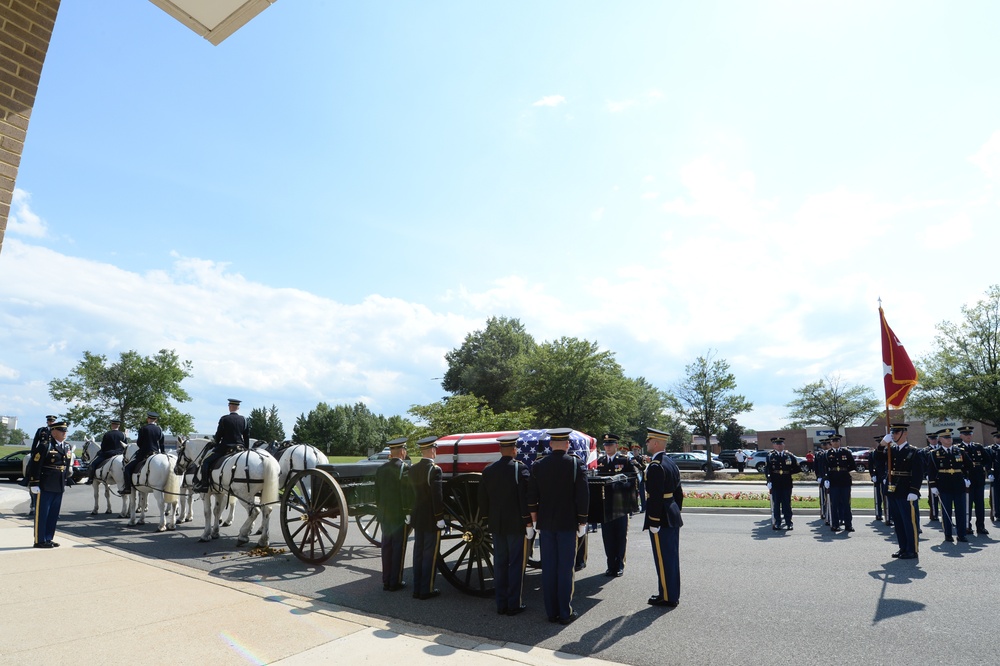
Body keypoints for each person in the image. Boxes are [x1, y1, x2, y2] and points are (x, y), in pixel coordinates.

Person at [527, 427, 589, 625]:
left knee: (549, 568)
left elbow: (532, 496)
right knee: (565, 569)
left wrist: (535, 521)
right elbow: (583, 495)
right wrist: (583, 521)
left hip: (545, 523)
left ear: (551, 444)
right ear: (568, 444)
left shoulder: (538, 465)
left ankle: (551, 612)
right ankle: (564, 612)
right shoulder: (574, 464)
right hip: (567, 523)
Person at [478, 433, 532, 615]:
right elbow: (524, 500)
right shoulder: (520, 469)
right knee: (516, 564)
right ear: (514, 450)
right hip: (516, 525)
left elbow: (483, 500)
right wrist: (528, 522)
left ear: (501, 450)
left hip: (496, 524)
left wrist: (487, 520)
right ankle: (514, 604)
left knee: (500, 563)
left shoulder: (489, 470)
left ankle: (501, 604)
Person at [643, 427, 683, 608]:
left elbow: (656, 496)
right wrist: (675, 511)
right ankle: (670, 592)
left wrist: (654, 520)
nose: (647, 443)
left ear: (656, 443)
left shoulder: (656, 465)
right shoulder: (670, 462)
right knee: (671, 557)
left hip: (661, 518)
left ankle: (667, 597)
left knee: (663, 558)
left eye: (649, 441)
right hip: (671, 514)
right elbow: (679, 493)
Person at [874, 422, 923, 560]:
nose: (893, 435)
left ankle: (912, 550)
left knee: (909, 522)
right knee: (898, 522)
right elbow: (876, 459)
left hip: (907, 491)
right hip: (893, 490)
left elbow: (918, 473)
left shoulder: (914, 451)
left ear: (905, 433)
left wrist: (914, 490)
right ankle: (903, 548)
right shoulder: (891, 450)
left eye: (896, 432)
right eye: (892, 433)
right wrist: (882, 444)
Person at [596, 433, 640, 578]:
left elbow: (634, 480)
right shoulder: (600, 461)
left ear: (616, 446)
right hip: (605, 505)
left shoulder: (624, 460)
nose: (607, 447)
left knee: (620, 536)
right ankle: (610, 565)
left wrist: (620, 482)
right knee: (607, 536)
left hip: (620, 505)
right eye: (605, 445)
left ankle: (619, 565)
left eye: (610, 444)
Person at [26, 419, 74, 548]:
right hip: (45, 484)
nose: (64, 433)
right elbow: (35, 465)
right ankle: (39, 540)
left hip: (58, 484)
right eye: (61, 430)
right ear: (53, 432)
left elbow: (66, 464)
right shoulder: (45, 446)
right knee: (42, 513)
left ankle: (48, 538)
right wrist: (34, 482)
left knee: (53, 514)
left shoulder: (67, 446)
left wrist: (65, 480)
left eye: (65, 431)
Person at [409, 435, 445, 600]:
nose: (435, 452)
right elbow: (436, 496)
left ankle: (417, 588)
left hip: (417, 517)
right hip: (431, 518)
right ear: (431, 450)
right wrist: (440, 517)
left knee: (418, 553)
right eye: (435, 449)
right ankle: (426, 589)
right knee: (429, 554)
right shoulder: (434, 470)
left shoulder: (413, 469)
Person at [374, 437, 411, 592]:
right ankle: (395, 581)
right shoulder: (405, 469)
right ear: (402, 451)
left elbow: (376, 494)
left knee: (386, 548)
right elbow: (407, 494)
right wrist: (408, 512)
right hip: (399, 516)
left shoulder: (381, 469)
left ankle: (386, 580)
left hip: (384, 515)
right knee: (398, 548)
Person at [195, 399, 249, 492]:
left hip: (225, 447)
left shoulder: (224, 419)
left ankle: (204, 485)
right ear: (238, 407)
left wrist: (216, 444)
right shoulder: (244, 420)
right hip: (240, 448)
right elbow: (246, 436)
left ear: (230, 407)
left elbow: (219, 435)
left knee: (206, 462)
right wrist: (246, 448)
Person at [926, 429, 969, 544]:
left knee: (960, 511)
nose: (949, 440)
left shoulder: (960, 451)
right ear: (940, 440)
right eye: (946, 438)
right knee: (946, 511)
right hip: (944, 485)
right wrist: (933, 485)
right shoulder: (935, 453)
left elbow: (968, 466)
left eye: (950, 437)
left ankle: (961, 534)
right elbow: (931, 471)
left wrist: (966, 478)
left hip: (958, 484)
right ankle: (948, 534)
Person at [958, 426, 990, 535]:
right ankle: (967, 526)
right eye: (966, 434)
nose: (968, 436)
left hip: (979, 479)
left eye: (970, 434)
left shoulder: (978, 447)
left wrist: (987, 470)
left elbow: (987, 460)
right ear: (961, 436)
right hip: (967, 479)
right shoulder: (959, 448)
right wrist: (963, 477)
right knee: (968, 504)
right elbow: (958, 464)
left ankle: (980, 526)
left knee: (980, 504)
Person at [122, 411, 164, 494]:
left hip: (144, 454)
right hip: (156, 453)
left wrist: (142, 449)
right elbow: (162, 443)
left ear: (148, 419)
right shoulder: (159, 429)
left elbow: (139, 443)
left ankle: (127, 488)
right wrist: (162, 453)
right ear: (155, 420)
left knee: (127, 468)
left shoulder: (143, 429)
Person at [824, 434, 854, 533]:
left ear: (840, 442)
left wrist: (844, 470)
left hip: (844, 480)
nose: (836, 442)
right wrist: (826, 479)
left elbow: (852, 465)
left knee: (846, 504)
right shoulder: (827, 454)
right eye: (833, 441)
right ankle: (835, 524)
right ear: (831, 443)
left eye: (837, 441)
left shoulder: (846, 452)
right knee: (834, 504)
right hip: (833, 481)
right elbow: (824, 467)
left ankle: (848, 525)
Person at [765, 437, 796, 531]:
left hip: (786, 482)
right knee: (776, 504)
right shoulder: (770, 456)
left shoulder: (789, 455)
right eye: (777, 444)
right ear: (774, 446)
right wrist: (768, 481)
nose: (779, 446)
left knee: (787, 503)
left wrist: (789, 472)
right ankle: (777, 522)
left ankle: (788, 522)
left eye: (780, 444)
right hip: (776, 482)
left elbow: (796, 467)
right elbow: (767, 469)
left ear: (784, 445)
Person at [85, 418, 127, 484]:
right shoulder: (123, 435)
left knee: (93, 464)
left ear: (112, 425)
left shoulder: (107, 434)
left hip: (108, 454)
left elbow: (103, 446)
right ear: (118, 425)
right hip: (120, 454)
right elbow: (125, 446)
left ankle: (90, 479)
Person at [869, 435, 891, 525]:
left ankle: (889, 515)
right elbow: (871, 465)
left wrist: (886, 475)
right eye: (878, 443)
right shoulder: (873, 453)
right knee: (878, 496)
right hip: (878, 476)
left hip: (886, 476)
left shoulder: (888, 452)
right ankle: (878, 513)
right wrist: (872, 474)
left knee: (887, 497)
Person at [923, 431, 941, 521]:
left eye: (935, 438)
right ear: (928, 439)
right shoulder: (925, 451)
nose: (934, 440)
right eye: (931, 439)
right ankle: (934, 514)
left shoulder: (941, 449)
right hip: (931, 476)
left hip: (942, 475)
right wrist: (926, 474)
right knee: (933, 496)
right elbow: (924, 464)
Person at [814, 438, 831, 525]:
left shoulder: (831, 453)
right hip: (822, 477)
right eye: (823, 444)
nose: (825, 446)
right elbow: (816, 467)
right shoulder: (818, 455)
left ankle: (831, 512)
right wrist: (818, 476)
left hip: (831, 478)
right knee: (823, 496)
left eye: (827, 444)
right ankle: (824, 512)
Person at [630, 443, 648, 512]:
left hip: (641, 479)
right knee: (634, 494)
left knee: (642, 494)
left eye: (636, 450)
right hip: (634, 479)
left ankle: (643, 507)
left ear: (638, 451)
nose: (634, 452)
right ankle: (635, 507)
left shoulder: (641, 458)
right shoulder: (631, 459)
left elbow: (643, 467)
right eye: (633, 450)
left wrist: (637, 463)